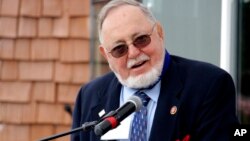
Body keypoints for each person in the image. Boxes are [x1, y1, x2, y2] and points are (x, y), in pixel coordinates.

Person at [71, 0, 239, 141]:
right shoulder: (89, 96)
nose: (134, 53)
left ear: (159, 32)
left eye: (141, 39)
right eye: (119, 49)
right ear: (106, 56)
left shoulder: (209, 85)